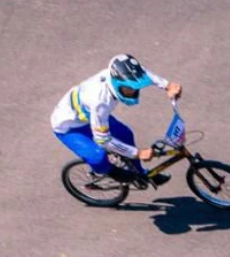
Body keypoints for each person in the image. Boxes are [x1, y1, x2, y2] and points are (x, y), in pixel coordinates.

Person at [50, 54, 183, 184]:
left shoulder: (120, 73)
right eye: (128, 89)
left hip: (89, 116)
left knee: (125, 134)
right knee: (98, 157)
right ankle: (104, 173)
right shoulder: (100, 102)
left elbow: (143, 73)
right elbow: (103, 140)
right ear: (116, 83)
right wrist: (137, 153)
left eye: (135, 88)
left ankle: (140, 173)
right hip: (68, 127)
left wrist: (167, 85)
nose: (133, 92)